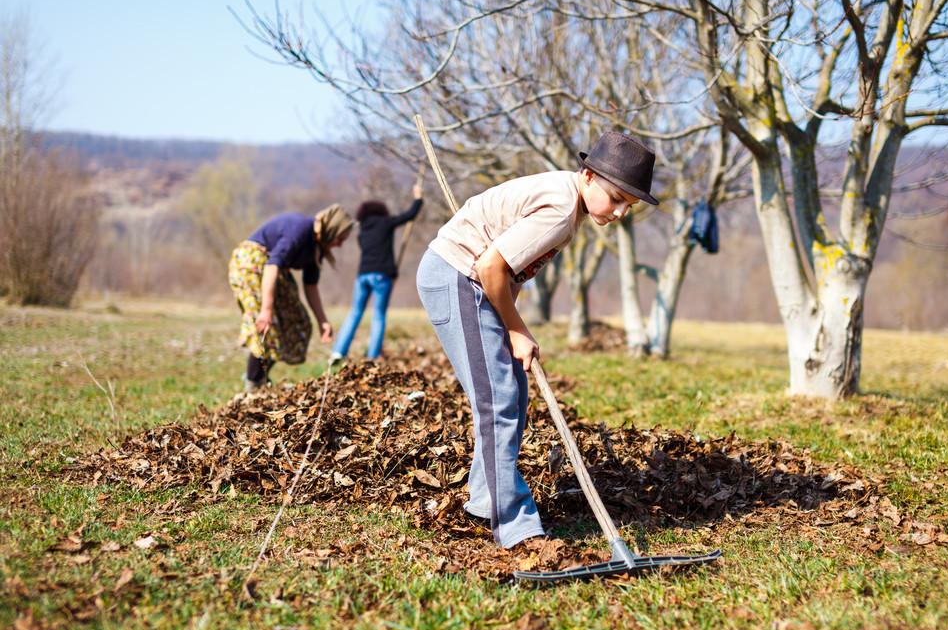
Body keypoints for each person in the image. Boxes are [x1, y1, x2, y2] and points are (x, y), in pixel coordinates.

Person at [416, 131, 658, 549]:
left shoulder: (566, 200)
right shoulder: (561, 210)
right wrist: (515, 328)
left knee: (510, 388)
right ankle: (514, 526)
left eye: (628, 206)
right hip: (456, 277)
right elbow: (491, 266)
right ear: (588, 175)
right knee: (497, 398)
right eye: (616, 197)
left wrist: (510, 319)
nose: (619, 212)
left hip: (471, 281)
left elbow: (507, 274)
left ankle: (486, 498)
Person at [229, 204, 354, 391]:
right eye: (340, 238)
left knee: (298, 320)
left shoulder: (316, 248)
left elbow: (310, 286)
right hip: (250, 263)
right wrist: (266, 310)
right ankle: (253, 383)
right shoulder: (301, 230)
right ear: (332, 230)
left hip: (272, 270)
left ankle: (259, 378)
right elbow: (272, 266)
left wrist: (322, 321)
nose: (341, 244)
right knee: (267, 325)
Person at [330, 176, 424, 361]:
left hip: (362, 276)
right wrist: (418, 198)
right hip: (381, 276)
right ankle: (373, 356)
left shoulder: (362, 232)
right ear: (381, 211)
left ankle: (338, 352)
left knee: (355, 313)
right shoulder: (385, 223)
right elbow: (409, 215)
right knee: (378, 316)